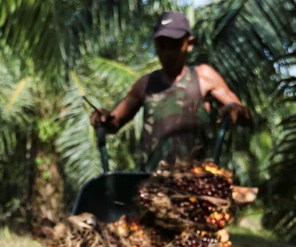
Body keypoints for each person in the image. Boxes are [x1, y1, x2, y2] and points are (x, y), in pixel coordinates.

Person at [90, 11, 251, 169]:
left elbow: (244, 114)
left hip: (194, 182)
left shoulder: (203, 77)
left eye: (174, 45)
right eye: (162, 45)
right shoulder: (145, 84)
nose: (167, 52)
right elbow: (114, 122)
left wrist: (235, 110)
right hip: (151, 183)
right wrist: (102, 118)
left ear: (189, 43)